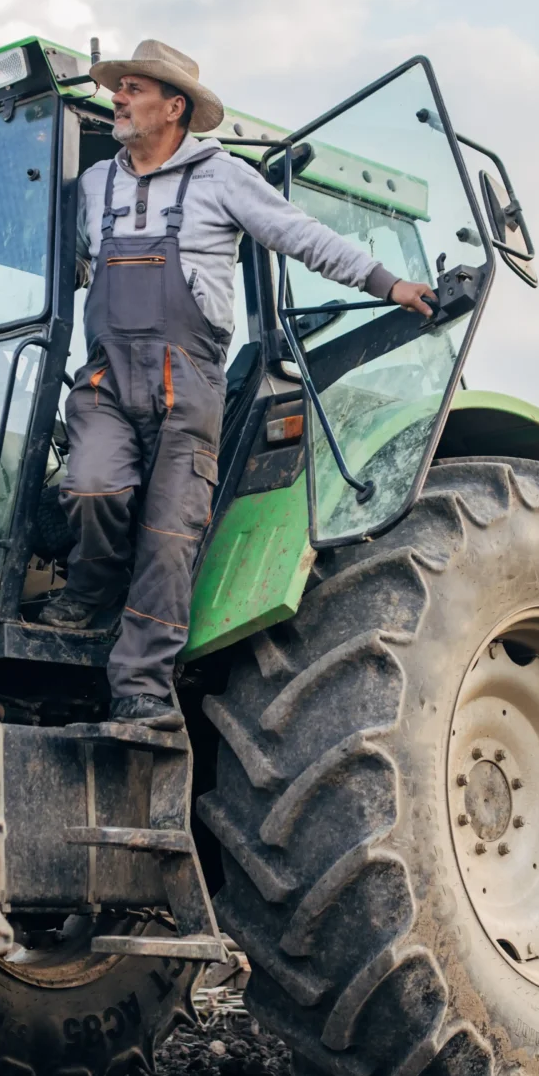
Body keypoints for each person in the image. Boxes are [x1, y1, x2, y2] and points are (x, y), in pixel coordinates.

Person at [30, 39, 435, 727]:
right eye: (118, 87)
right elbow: (73, 261)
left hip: (186, 382)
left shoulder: (220, 177)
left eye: (132, 89)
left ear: (174, 105)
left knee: (169, 535)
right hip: (105, 376)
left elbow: (298, 234)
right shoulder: (97, 185)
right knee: (92, 485)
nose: (118, 99)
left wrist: (385, 282)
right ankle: (93, 587)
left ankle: (141, 687)